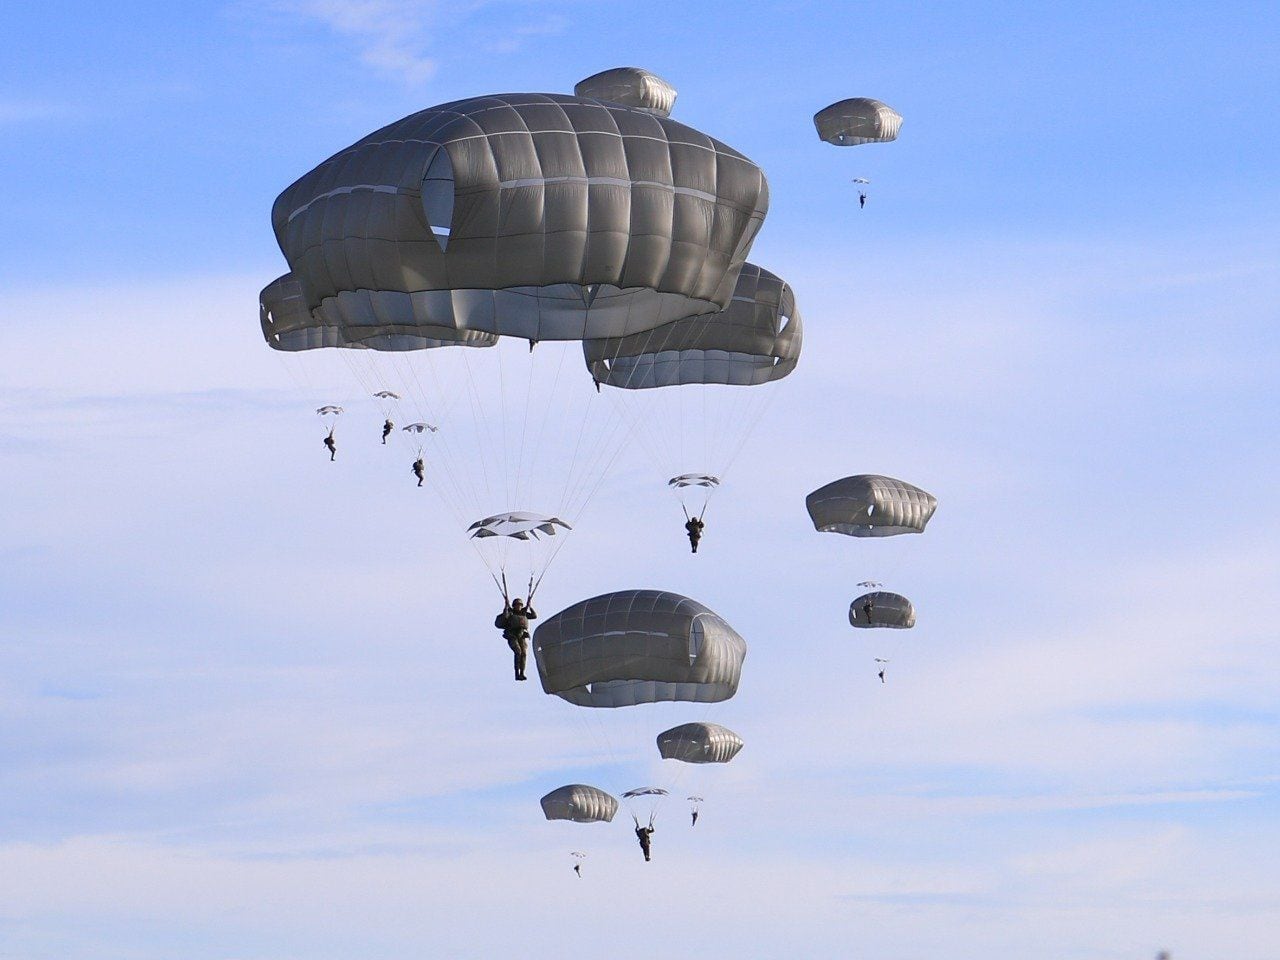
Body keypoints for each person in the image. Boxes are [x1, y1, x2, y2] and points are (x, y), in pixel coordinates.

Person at [495, 596, 537, 681]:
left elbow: (534, 616)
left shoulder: (524, 613)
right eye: (517, 605)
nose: (519, 607)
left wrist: (530, 607)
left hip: (522, 635)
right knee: (518, 652)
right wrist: (506, 607)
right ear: (514, 606)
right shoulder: (511, 613)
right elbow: (505, 616)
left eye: (520, 605)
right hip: (512, 635)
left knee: (524, 654)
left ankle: (522, 673)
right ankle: (517, 673)